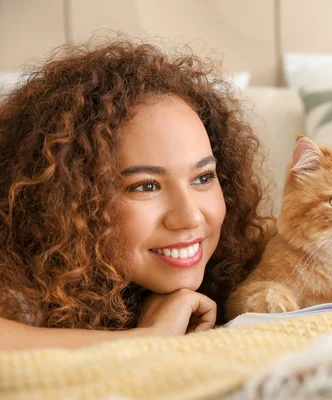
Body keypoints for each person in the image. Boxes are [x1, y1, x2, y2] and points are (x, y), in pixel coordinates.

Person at [0, 38, 272, 351]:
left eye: (203, 177)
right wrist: (149, 337)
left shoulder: (243, 260)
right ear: (65, 199)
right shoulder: (18, 283)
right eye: (146, 186)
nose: (190, 216)